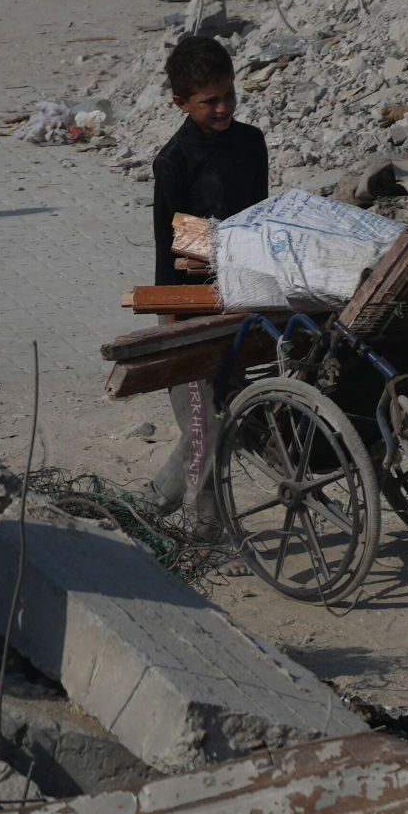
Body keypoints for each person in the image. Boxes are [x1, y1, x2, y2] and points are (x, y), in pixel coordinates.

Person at [146, 33, 267, 518]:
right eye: (209, 101)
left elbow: (258, 218)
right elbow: (169, 246)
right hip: (187, 304)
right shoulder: (173, 162)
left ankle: (151, 505)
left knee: (219, 420)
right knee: (205, 426)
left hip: (240, 297)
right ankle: (201, 532)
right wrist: (173, 325)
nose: (223, 108)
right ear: (180, 102)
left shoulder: (251, 143)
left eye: (229, 95)